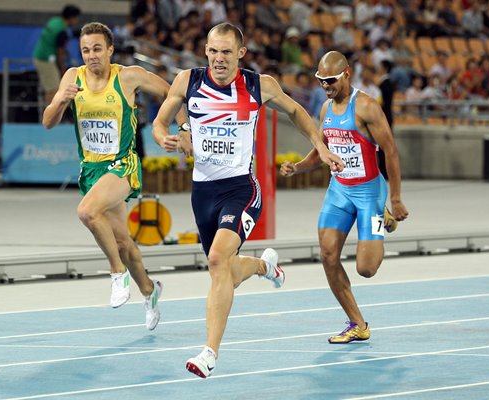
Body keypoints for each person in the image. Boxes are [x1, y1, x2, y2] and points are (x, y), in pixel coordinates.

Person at [152, 22, 344, 378]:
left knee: (216, 259)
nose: (219, 58)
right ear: (205, 51)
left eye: (227, 52)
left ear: (241, 53)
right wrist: (169, 135)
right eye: (213, 51)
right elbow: (158, 123)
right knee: (223, 268)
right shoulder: (187, 81)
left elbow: (297, 113)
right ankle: (263, 266)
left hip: (241, 189)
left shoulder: (259, 85)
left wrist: (320, 146)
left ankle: (209, 353)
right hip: (202, 192)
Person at [42, 22, 187, 330]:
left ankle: (116, 274)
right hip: (92, 170)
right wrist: (60, 101)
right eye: (85, 50)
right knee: (122, 241)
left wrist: (183, 128)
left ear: (109, 49)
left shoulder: (128, 76)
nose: (91, 55)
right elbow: (48, 122)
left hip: (123, 165)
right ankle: (150, 291)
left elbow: (172, 93)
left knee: (87, 211)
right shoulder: (72, 77)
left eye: (97, 49)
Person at [280, 51, 409, 344]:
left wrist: (397, 198)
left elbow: (389, 150)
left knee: (367, 268)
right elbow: (322, 151)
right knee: (327, 255)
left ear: (347, 73)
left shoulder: (366, 107)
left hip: (370, 194)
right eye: (321, 81)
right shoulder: (325, 109)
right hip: (339, 190)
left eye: (331, 80)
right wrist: (298, 167)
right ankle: (357, 324)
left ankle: (384, 218)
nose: (326, 86)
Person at [33, 4, 82, 106]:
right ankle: (50, 117)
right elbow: (60, 52)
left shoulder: (55, 21)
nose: (77, 21)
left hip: (40, 56)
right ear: (71, 18)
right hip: (46, 60)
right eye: (76, 18)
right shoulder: (61, 32)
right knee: (53, 89)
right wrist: (62, 68)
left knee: (54, 88)